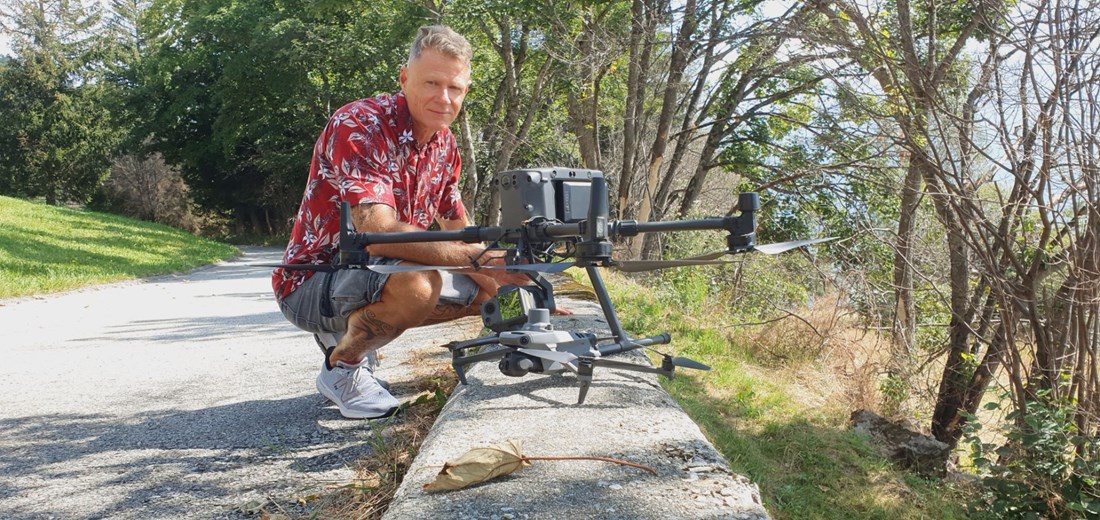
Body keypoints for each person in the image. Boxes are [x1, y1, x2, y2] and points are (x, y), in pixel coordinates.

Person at [273, 26, 529, 420]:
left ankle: (359, 328)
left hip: (378, 273)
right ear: (404, 78)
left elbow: (460, 228)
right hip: (312, 279)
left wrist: (525, 299)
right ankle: (342, 367)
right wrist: (476, 257)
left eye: (455, 88)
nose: (444, 98)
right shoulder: (359, 125)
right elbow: (376, 233)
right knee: (418, 283)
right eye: (431, 82)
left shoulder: (445, 144)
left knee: (491, 292)